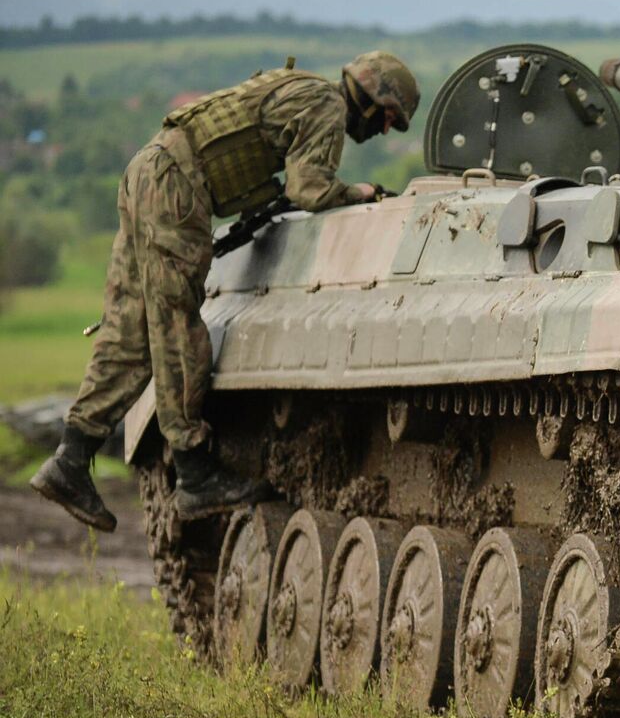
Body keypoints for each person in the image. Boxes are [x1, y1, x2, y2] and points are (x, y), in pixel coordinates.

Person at [30, 51, 418, 531]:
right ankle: (194, 473)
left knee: (131, 331)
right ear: (372, 98)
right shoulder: (326, 107)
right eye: (388, 119)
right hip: (178, 188)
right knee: (178, 330)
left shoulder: (302, 88)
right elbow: (310, 189)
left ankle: (71, 458)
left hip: (150, 170)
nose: (383, 130)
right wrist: (358, 193)